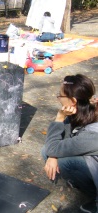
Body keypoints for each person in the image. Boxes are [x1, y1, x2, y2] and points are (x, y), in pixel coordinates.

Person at [41, 74, 98, 213]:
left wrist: (59, 118)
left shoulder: (93, 134)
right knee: (47, 153)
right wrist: (53, 155)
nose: (58, 98)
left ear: (72, 100)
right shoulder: (83, 110)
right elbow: (60, 141)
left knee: (63, 162)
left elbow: (54, 146)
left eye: (60, 96)